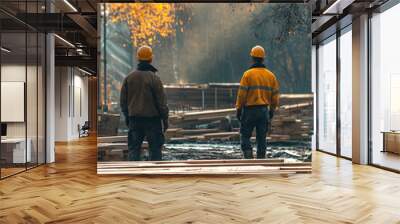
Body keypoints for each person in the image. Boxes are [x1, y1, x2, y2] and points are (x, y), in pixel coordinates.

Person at [120, 45, 169, 161]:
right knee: (155, 150)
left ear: (138, 59)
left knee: (134, 150)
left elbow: (123, 102)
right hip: (153, 121)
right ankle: (154, 177)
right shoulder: (154, 79)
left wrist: (128, 117)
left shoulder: (129, 78)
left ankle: (133, 175)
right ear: (151, 59)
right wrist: (165, 120)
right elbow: (162, 103)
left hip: (135, 120)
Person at [236, 45, 280, 159]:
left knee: (245, 135)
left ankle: (248, 157)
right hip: (264, 110)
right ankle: (261, 160)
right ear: (263, 58)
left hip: (249, 110)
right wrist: (272, 110)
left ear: (252, 58)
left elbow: (241, 94)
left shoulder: (247, 74)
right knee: (261, 138)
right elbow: (275, 97)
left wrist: (238, 109)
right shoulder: (271, 76)